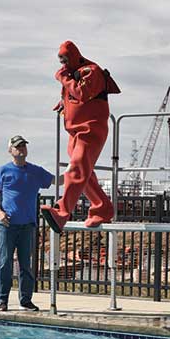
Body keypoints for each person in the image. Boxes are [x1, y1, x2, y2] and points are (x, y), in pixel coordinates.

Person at [40, 40, 116, 233]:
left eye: (65, 59)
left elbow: (83, 92)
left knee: (75, 170)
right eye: (61, 60)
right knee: (85, 174)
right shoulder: (73, 74)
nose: (63, 64)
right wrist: (64, 104)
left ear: (73, 56)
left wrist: (63, 78)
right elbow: (74, 97)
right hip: (74, 131)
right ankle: (102, 208)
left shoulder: (91, 71)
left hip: (90, 129)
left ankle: (61, 213)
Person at [0, 135, 56, 312]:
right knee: (5, 263)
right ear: (10, 150)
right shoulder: (3, 171)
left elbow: (57, 181)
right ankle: (2, 299)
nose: (21, 149)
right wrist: (0, 212)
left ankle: (25, 300)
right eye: (18, 146)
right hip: (8, 225)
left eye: (24, 146)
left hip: (27, 225)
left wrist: (78, 171)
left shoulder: (35, 171)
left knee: (26, 264)